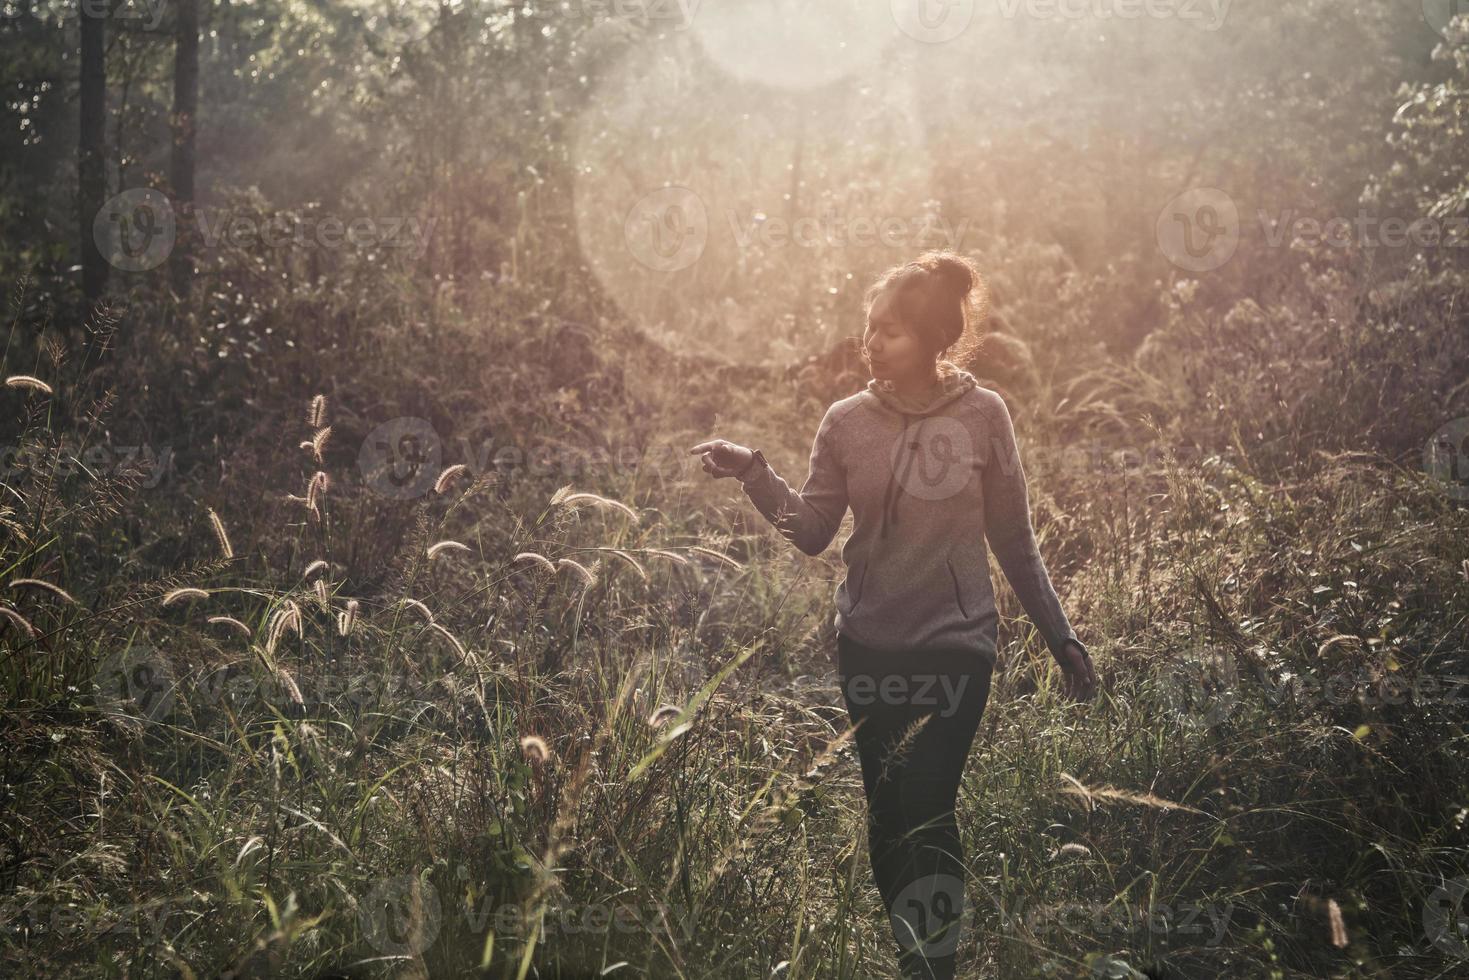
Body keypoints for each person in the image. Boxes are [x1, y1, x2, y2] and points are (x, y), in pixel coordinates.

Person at [689, 250, 1098, 979]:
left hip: (956, 645)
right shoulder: (845, 423)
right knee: (886, 812)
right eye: (869, 327)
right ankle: (915, 959)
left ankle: (933, 966)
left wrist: (1059, 634)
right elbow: (812, 531)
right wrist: (754, 471)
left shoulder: (983, 415)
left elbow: (1012, 537)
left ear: (936, 339)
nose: (872, 343)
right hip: (869, 647)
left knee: (928, 803)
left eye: (893, 331)